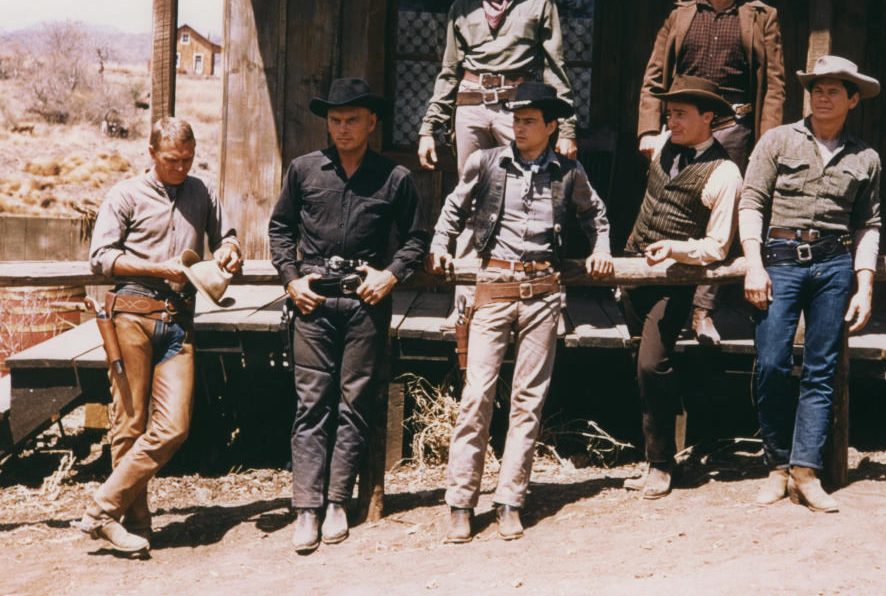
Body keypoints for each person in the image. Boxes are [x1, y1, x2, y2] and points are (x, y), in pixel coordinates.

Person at [427, 82, 613, 542]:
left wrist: (602, 247)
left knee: (528, 401)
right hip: (493, 286)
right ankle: (460, 502)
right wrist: (439, 244)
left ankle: (510, 499)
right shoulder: (487, 162)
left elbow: (596, 215)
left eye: (530, 120)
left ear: (551, 126)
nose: (519, 127)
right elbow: (453, 207)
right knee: (477, 396)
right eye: (516, 118)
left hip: (544, 293)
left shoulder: (569, 171)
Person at [269, 78, 429, 553]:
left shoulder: (394, 178)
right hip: (312, 301)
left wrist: (392, 274)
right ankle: (306, 509)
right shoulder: (303, 170)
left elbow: (417, 238)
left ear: (371, 122)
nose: (342, 128)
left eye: (352, 120)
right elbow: (280, 228)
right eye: (335, 121)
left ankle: (338, 502)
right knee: (310, 404)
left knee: (353, 404)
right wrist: (291, 279)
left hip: (365, 303)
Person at [80, 117, 241, 553]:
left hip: (178, 320)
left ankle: (101, 508)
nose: (180, 167)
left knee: (174, 426)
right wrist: (157, 267)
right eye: (172, 160)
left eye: (188, 159)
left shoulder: (201, 191)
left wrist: (229, 249)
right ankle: (133, 522)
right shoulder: (125, 194)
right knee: (129, 423)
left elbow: (226, 235)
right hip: (131, 313)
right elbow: (102, 259)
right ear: (151, 154)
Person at [740, 55, 881, 513]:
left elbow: (868, 224)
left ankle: (806, 472)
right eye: (816, 89)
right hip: (779, 261)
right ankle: (776, 467)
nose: (822, 97)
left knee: (821, 369)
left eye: (833, 90)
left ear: (852, 99)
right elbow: (752, 203)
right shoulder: (777, 140)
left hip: (835, 265)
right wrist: (753, 265)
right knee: (773, 363)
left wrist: (865, 284)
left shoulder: (866, 157)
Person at [637, 0, 786, 344]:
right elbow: (654, 77)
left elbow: (773, 84)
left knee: (724, 217)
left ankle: (704, 310)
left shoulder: (760, 17)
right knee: (671, 207)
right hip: (680, 125)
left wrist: (766, 141)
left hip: (734, 128)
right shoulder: (680, 16)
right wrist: (651, 130)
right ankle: (647, 296)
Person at [620, 76, 743, 499]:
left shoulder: (725, 173)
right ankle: (650, 455)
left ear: (708, 118)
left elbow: (718, 246)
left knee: (653, 363)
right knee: (641, 365)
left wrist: (676, 249)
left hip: (676, 282)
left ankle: (661, 465)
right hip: (634, 271)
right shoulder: (660, 145)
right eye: (669, 112)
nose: (671, 120)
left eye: (681, 114)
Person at [418, 0, 578, 174]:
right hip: (470, 104)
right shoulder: (462, 7)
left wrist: (567, 129)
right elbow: (449, 71)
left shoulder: (539, 3)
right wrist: (428, 128)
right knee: (470, 187)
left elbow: (554, 68)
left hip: (516, 106)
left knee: (524, 182)